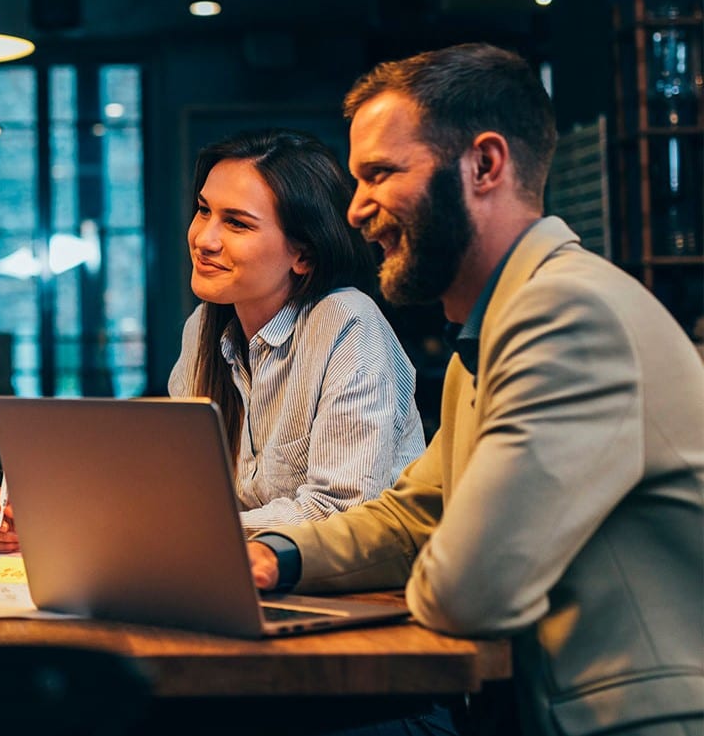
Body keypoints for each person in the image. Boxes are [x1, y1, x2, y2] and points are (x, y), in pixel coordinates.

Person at [246, 44, 703, 735]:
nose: (357, 210)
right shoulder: (492, 326)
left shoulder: (566, 314)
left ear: (484, 165)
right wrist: (276, 555)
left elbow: (469, 591)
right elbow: (411, 517)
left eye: (379, 175)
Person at [0, 130, 425, 549]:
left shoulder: (347, 322)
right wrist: (49, 515)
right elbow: (177, 492)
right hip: (248, 579)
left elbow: (342, 511)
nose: (204, 238)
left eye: (236, 223)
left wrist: (143, 527)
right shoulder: (203, 330)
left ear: (303, 254)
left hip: (358, 597)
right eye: (204, 210)